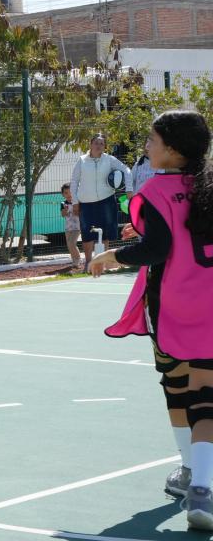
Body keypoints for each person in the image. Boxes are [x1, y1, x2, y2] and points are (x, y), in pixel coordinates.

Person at [92, 111, 213, 529]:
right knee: (206, 397)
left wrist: (112, 255)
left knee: (176, 384)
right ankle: (202, 486)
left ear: (173, 150)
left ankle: (192, 475)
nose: (146, 146)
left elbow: (159, 249)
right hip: (211, 303)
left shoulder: (157, 190)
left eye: (152, 139)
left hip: (172, 304)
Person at [71, 133, 131, 271]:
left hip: (106, 201)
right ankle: (88, 263)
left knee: (105, 233)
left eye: (102, 144)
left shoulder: (110, 160)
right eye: (96, 143)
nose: (99, 146)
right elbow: (74, 182)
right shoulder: (82, 161)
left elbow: (126, 170)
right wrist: (75, 202)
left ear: (105, 147)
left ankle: (102, 263)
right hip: (86, 203)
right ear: (90, 144)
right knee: (87, 233)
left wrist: (129, 189)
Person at [60, 184, 83, 269]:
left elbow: (79, 214)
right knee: (69, 245)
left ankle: (78, 259)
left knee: (72, 243)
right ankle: (74, 261)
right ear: (63, 194)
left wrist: (75, 210)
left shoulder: (77, 202)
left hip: (77, 227)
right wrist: (65, 211)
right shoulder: (63, 203)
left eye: (70, 192)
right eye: (66, 193)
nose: (69, 195)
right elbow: (63, 215)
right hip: (68, 227)